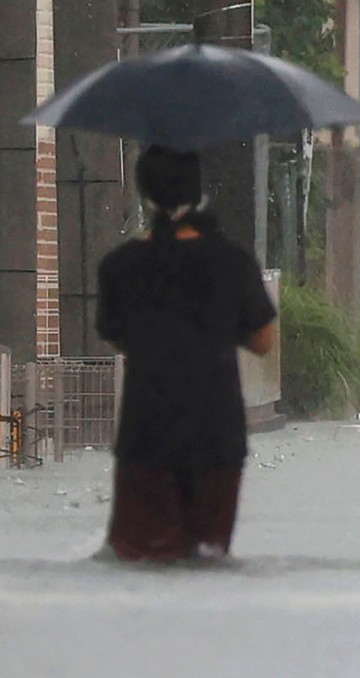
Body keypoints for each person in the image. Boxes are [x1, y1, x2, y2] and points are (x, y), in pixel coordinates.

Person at [95, 145, 278, 562]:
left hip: (146, 433)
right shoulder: (232, 262)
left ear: (145, 195)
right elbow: (263, 340)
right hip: (217, 436)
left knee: (139, 555)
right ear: (201, 195)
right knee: (208, 556)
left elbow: (117, 336)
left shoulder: (121, 266)